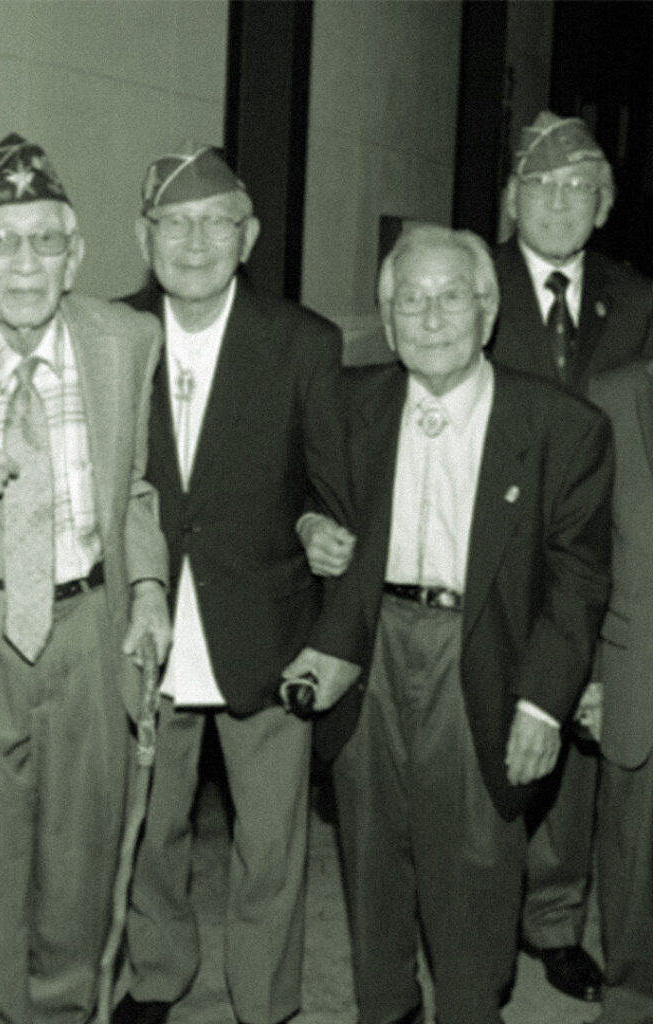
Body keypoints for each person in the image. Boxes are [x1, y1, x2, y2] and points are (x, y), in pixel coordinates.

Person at [287, 224, 612, 1024]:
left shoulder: (561, 426)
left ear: (489, 310)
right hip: (371, 649)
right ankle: (385, 1010)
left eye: (450, 297)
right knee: (369, 860)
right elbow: (301, 497)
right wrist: (306, 527)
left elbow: (577, 581)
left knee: (472, 866)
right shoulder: (347, 402)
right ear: (387, 320)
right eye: (409, 301)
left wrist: (542, 702)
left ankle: (470, 1010)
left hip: (486, 652)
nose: (430, 317)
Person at [0, 132, 172, 1024]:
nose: (26, 264)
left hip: (90, 632)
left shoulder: (126, 340)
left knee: (79, 866)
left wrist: (148, 589)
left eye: (46, 241)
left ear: (77, 255)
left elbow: (133, 486)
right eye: (1, 241)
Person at [112, 145, 347, 1024]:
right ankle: (159, 973)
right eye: (175, 223)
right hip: (148, 625)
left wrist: (317, 524)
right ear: (145, 236)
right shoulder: (112, 335)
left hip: (269, 624)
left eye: (217, 222)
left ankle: (266, 997)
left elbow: (331, 490)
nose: (196, 240)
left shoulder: (304, 343)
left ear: (247, 237)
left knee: (272, 839)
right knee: (150, 827)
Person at [491, 110, 653, 1003]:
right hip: (494, 561)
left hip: (600, 564)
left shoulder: (635, 300)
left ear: (604, 206)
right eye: (540, 187)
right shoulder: (472, 285)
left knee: (582, 760)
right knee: (483, 751)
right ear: (513, 199)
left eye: (576, 189)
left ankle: (554, 919)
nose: (557, 204)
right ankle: (475, 915)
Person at [585, 361, 653, 1024]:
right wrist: (594, 675)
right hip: (640, 667)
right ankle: (632, 998)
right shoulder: (613, 397)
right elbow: (585, 548)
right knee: (632, 857)